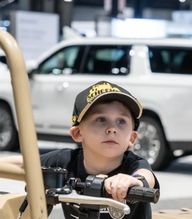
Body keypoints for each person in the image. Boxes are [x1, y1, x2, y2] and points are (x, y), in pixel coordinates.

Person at [1, 81, 160, 219]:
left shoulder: (133, 166)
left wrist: (131, 181)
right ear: (77, 133)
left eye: (121, 121)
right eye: (101, 119)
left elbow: (146, 178)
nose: (112, 128)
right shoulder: (66, 161)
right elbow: (25, 163)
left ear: (132, 138)